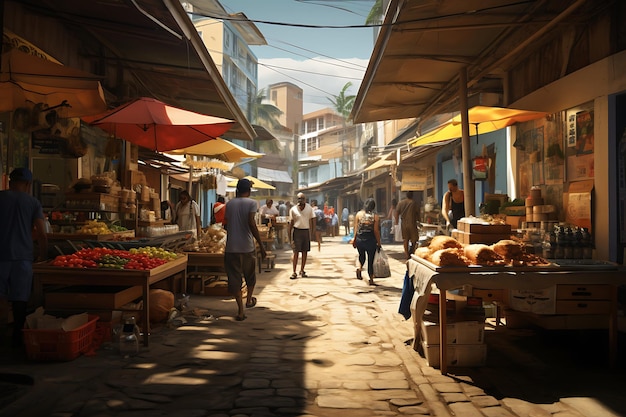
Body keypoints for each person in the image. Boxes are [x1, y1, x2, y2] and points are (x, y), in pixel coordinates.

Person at [0, 168, 48, 347]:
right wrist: (43, 256)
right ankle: (18, 339)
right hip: (22, 259)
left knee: (1, 300)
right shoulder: (33, 203)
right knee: (20, 301)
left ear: (10, 181)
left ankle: (1, 338)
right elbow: (42, 234)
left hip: (1, 257)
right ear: (28, 185)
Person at [224, 179, 266, 321]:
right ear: (248, 190)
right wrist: (260, 243)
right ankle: (248, 300)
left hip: (231, 247)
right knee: (250, 275)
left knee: (234, 278)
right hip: (247, 247)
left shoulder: (229, 204)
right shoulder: (252, 203)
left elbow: (227, 223)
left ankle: (240, 311)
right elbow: (251, 223)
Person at [352, 198, 381, 286]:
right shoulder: (375, 216)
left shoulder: (359, 214)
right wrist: (379, 242)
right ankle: (371, 278)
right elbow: (376, 231)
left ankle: (359, 268)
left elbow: (356, 228)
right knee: (370, 259)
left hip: (360, 239)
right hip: (370, 240)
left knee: (361, 256)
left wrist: (354, 239)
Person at [289, 192, 315, 279]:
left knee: (305, 252)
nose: (301, 200)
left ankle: (302, 270)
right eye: (299, 199)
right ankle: (294, 272)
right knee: (296, 252)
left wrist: (312, 233)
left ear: (305, 199)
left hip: (306, 231)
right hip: (297, 232)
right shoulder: (293, 209)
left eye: (302, 199)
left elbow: (312, 220)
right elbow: (291, 223)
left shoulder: (309, 208)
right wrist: (289, 236)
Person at [395, 191, 421, 258]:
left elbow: (397, 213)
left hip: (403, 223)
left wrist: (396, 221)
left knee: (405, 239)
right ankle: (411, 251)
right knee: (414, 239)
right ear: (412, 196)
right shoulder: (414, 203)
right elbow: (418, 212)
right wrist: (419, 220)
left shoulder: (401, 203)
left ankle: (406, 254)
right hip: (412, 223)